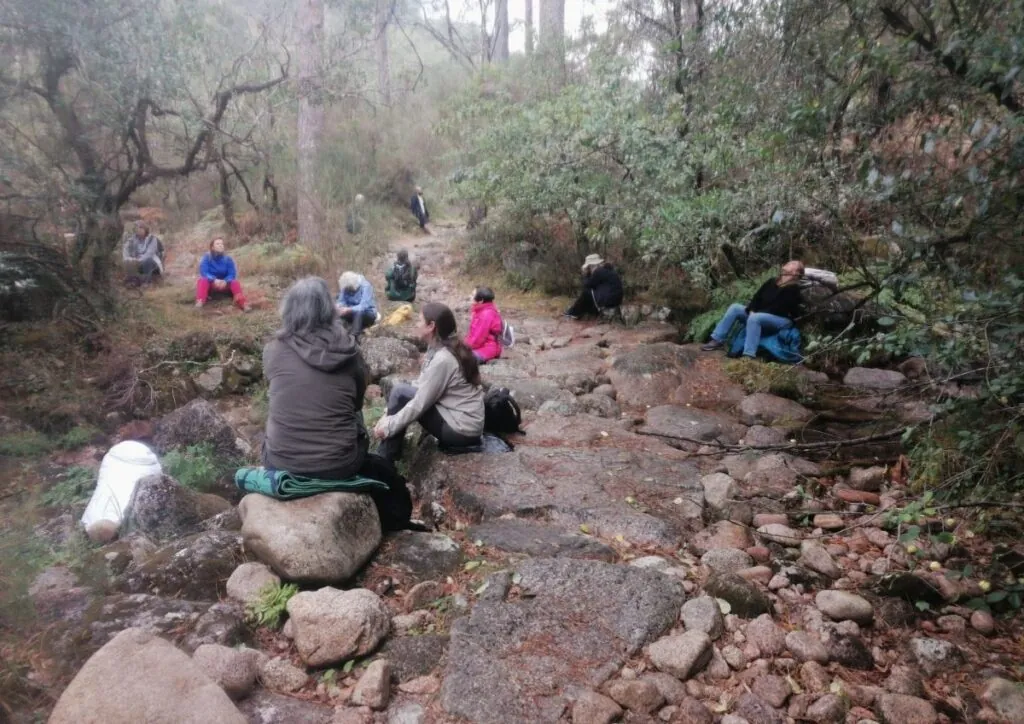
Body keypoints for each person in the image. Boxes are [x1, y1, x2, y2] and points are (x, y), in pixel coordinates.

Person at [262, 277, 412, 530]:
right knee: (351, 413)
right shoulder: (349, 351)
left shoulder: (274, 350)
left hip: (281, 462)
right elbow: (356, 403)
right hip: (340, 464)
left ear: (288, 310)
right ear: (328, 309)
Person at [373, 303, 485, 463]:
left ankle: (383, 461)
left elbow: (420, 403)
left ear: (431, 326)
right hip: (463, 423)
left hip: (460, 430)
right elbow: (421, 384)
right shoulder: (442, 348)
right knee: (402, 390)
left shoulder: (443, 359)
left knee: (400, 392)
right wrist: (388, 414)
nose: (415, 324)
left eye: (419, 320)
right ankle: (389, 454)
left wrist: (388, 427)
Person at [701, 260, 806, 358]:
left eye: (792, 264)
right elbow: (757, 297)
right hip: (760, 315)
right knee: (735, 308)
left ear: (796, 273)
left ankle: (748, 354)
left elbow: (779, 309)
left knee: (755, 318)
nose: (788, 263)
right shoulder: (772, 281)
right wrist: (751, 310)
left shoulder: (794, 289)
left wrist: (755, 314)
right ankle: (717, 339)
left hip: (781, 320)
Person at [196, 237, 250, 311]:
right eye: (218, 244)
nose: (221, 245)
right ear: (212, 247)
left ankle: (243, 304)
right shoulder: (207, 257)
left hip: (224, 285)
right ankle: (200, 302)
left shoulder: (228, 259)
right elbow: (204, 272)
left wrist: (225, 281)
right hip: (211, 285)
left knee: (235, 282)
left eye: (222, 244)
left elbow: (232, 273)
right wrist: (214, 280)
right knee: (203, 280)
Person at [563, 254, 623, 319]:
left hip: (608, 301)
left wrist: (586, 274)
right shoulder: (607, 270)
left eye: (588, 268)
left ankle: (572, 313)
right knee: (591, 294)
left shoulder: (598, 271)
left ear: (591, 266)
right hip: (616, 300)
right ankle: (580, 311)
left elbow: (587, 285)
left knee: (586, 293)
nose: (588, 269)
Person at [465, 286, 503, 363]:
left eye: (472, 295)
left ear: (481, 300)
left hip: (486, 349)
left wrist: (463, 348)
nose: (470, 296)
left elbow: (477, 339)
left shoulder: (485, 315)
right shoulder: (482, 310)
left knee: (458, 359)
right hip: (482, 346)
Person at [336, 271, 378, 339]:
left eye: (349, 289)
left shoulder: (366, 286)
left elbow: (364, 306)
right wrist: (339, 306)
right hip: (350, 312)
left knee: (358, 312)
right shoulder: (345, 286)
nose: (347, 290)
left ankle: (354, 337)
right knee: (337, 313)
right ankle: (337, 334)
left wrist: (349, 309)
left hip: (368, 313)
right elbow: (341, 300)